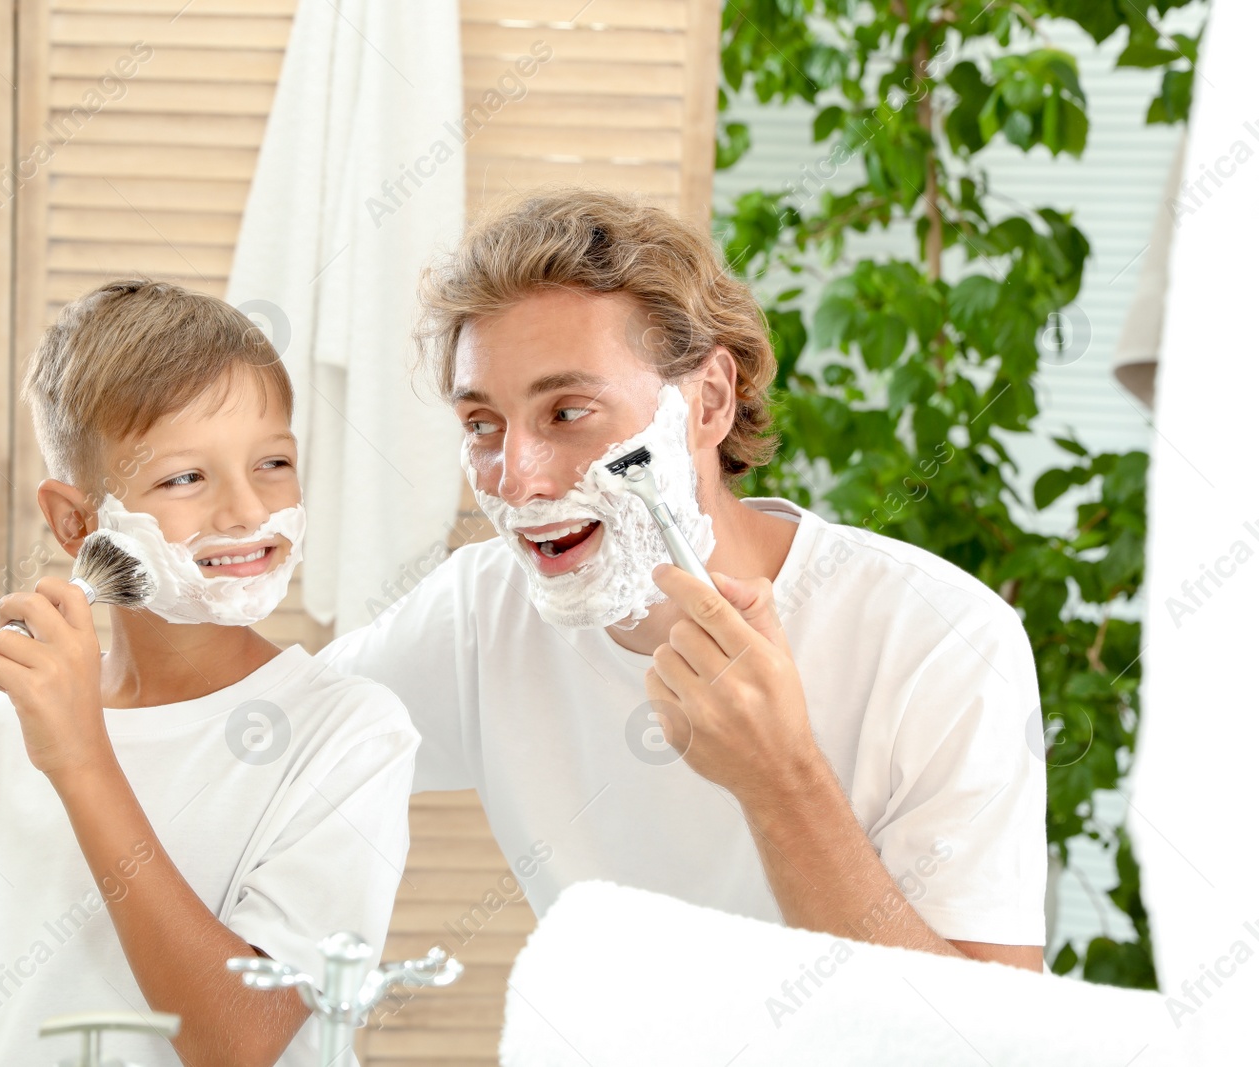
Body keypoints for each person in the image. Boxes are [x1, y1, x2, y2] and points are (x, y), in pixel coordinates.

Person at [323, 189, 1046, 969]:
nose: (518, 479)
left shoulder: (939, 640)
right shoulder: (480, 612)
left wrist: (781, 780)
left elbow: (984, 1035)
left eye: (568, 412)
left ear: (708, 402)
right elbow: (270, 741)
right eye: (482, 425)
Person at [0, 280, 419, 1066]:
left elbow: (239, 1040)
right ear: (77, 521)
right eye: (186, 478)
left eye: (273, 462)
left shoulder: (350, 734)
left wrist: (81, 760)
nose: (247, 510)